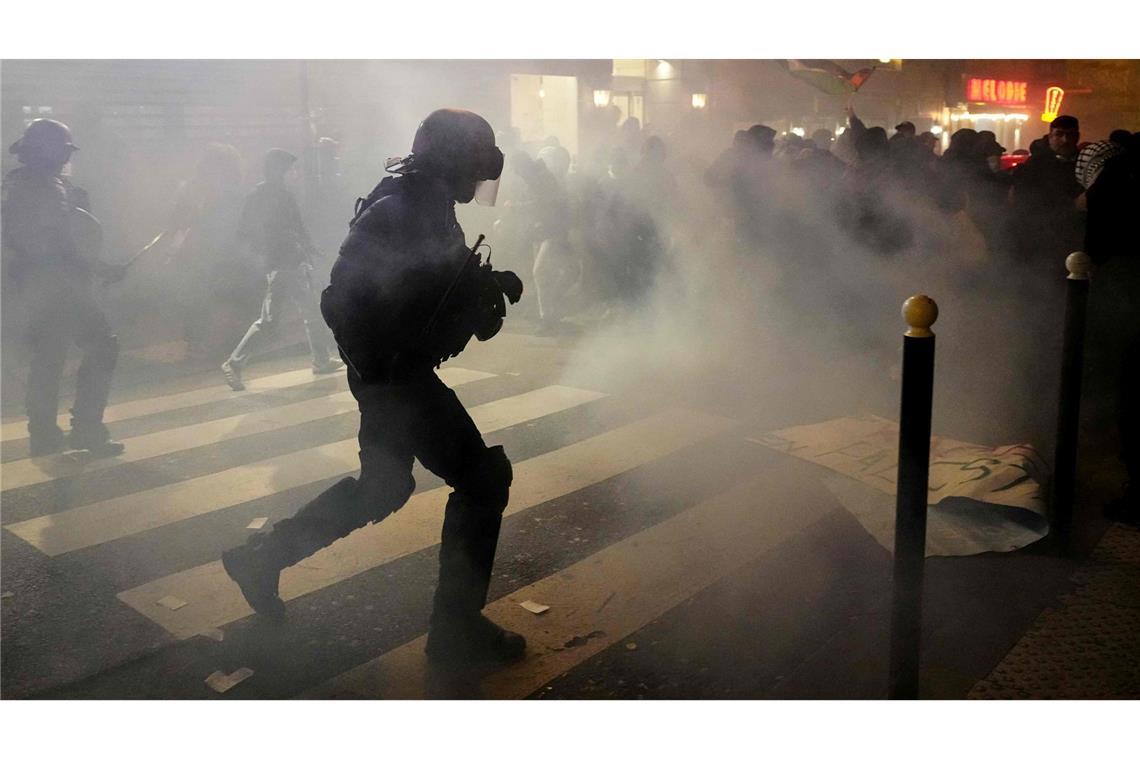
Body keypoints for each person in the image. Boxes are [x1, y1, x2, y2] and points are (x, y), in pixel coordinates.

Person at [221, 109, 527, 664]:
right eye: (473, 168)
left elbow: (436, 271)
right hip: (394, 376)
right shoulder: (400, 209)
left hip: (394, 373)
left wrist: (484, 284)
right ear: (450, 161)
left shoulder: (425, 203)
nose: (476, 184)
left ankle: (262, 557)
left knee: (383, 486)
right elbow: (341, 299)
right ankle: (455, 630)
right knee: (483, 482)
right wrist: (385, 371)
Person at [1, 119, 126, 456]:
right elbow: (60, 245)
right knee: (102, 347)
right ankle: (86, 428)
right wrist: (100, 267)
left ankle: (43, 433)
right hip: (60, 288)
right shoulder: (44, 189)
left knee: (49, 357)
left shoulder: (22, 186)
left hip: (35, 289)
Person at [220, 149, 343, 390]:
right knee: (270, 319)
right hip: (279, 264)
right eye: (289, 169)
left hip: (293, 261)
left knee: (311, 311)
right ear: (277, 170)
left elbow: (297, 227)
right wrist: (263, 253)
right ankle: (233, 363)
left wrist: (308, 249)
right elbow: (245, 232)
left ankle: (321, 359)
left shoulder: (284, 195)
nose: (293, 174)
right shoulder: (259, 197)